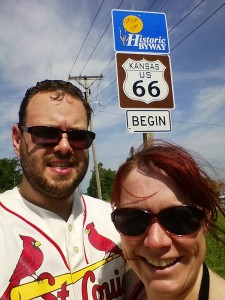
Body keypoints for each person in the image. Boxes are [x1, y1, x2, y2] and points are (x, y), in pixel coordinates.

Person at [0, 80, 140, 300]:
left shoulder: (116, 221)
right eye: (46, 133)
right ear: (18, 140)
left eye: (77, 136)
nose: (64, 146)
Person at [111, 139, 225, 300]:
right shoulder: (126, 284)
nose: (155, 241)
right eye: (133, 220)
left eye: (178, 218)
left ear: (206, 219)